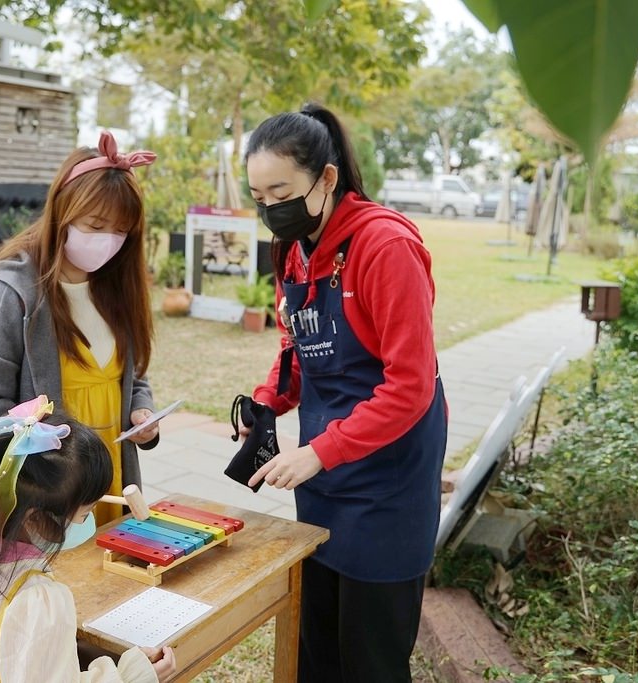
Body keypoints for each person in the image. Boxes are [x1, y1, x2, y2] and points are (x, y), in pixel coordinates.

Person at [237, 103, 447, 683]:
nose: (270, 209)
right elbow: (297, 343)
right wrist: (267, 402)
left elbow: (410, 389)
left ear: (326, 178)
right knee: (317, 649)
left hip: (388, 486)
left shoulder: (386, 248)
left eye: (280, 191)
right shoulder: (295, 248)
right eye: (258, 197)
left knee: (372, 659)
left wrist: (318, 451)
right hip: (324, 479)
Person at [0, 396, 177, 682]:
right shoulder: (38, 601)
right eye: (84, 514)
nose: (85, 522)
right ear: (36, 518)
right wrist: (131, 675)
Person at [0, 132, 160, 527]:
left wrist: (142, 412)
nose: (107, 242)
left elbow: (131, 377)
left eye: (120, 232)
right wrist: (52, 460)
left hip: (113, 480)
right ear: (61, 212)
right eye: (96, 225)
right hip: (49, 499)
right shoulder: (12, 295)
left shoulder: (116, 290)